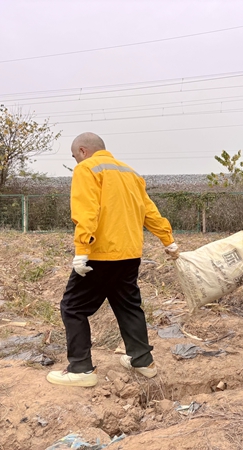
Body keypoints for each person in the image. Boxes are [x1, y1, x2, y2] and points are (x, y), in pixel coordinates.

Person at [46, 132, 180, 387]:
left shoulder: (87, 169)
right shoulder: (130, 172)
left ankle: (81, 368)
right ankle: (143, 361)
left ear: (83, 151)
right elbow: (148, 210)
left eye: (75, 157)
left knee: (72, 307)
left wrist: (81, 250)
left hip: (101, 254)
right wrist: (168, 239)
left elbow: (87, 211)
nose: (76, 162)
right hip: (130, 254)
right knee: (128, 305)